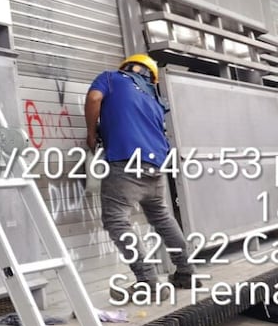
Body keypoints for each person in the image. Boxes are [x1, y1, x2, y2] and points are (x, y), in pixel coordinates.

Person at [85, 54, 200, 293]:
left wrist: (91, 132)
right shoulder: (155, 99)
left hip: (127, 162)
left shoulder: (110, 78)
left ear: (126, 67)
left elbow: (95, 98)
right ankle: (186, 273)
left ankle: (147, 281)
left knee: (116, 219)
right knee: (161, 216)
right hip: (156, 165)